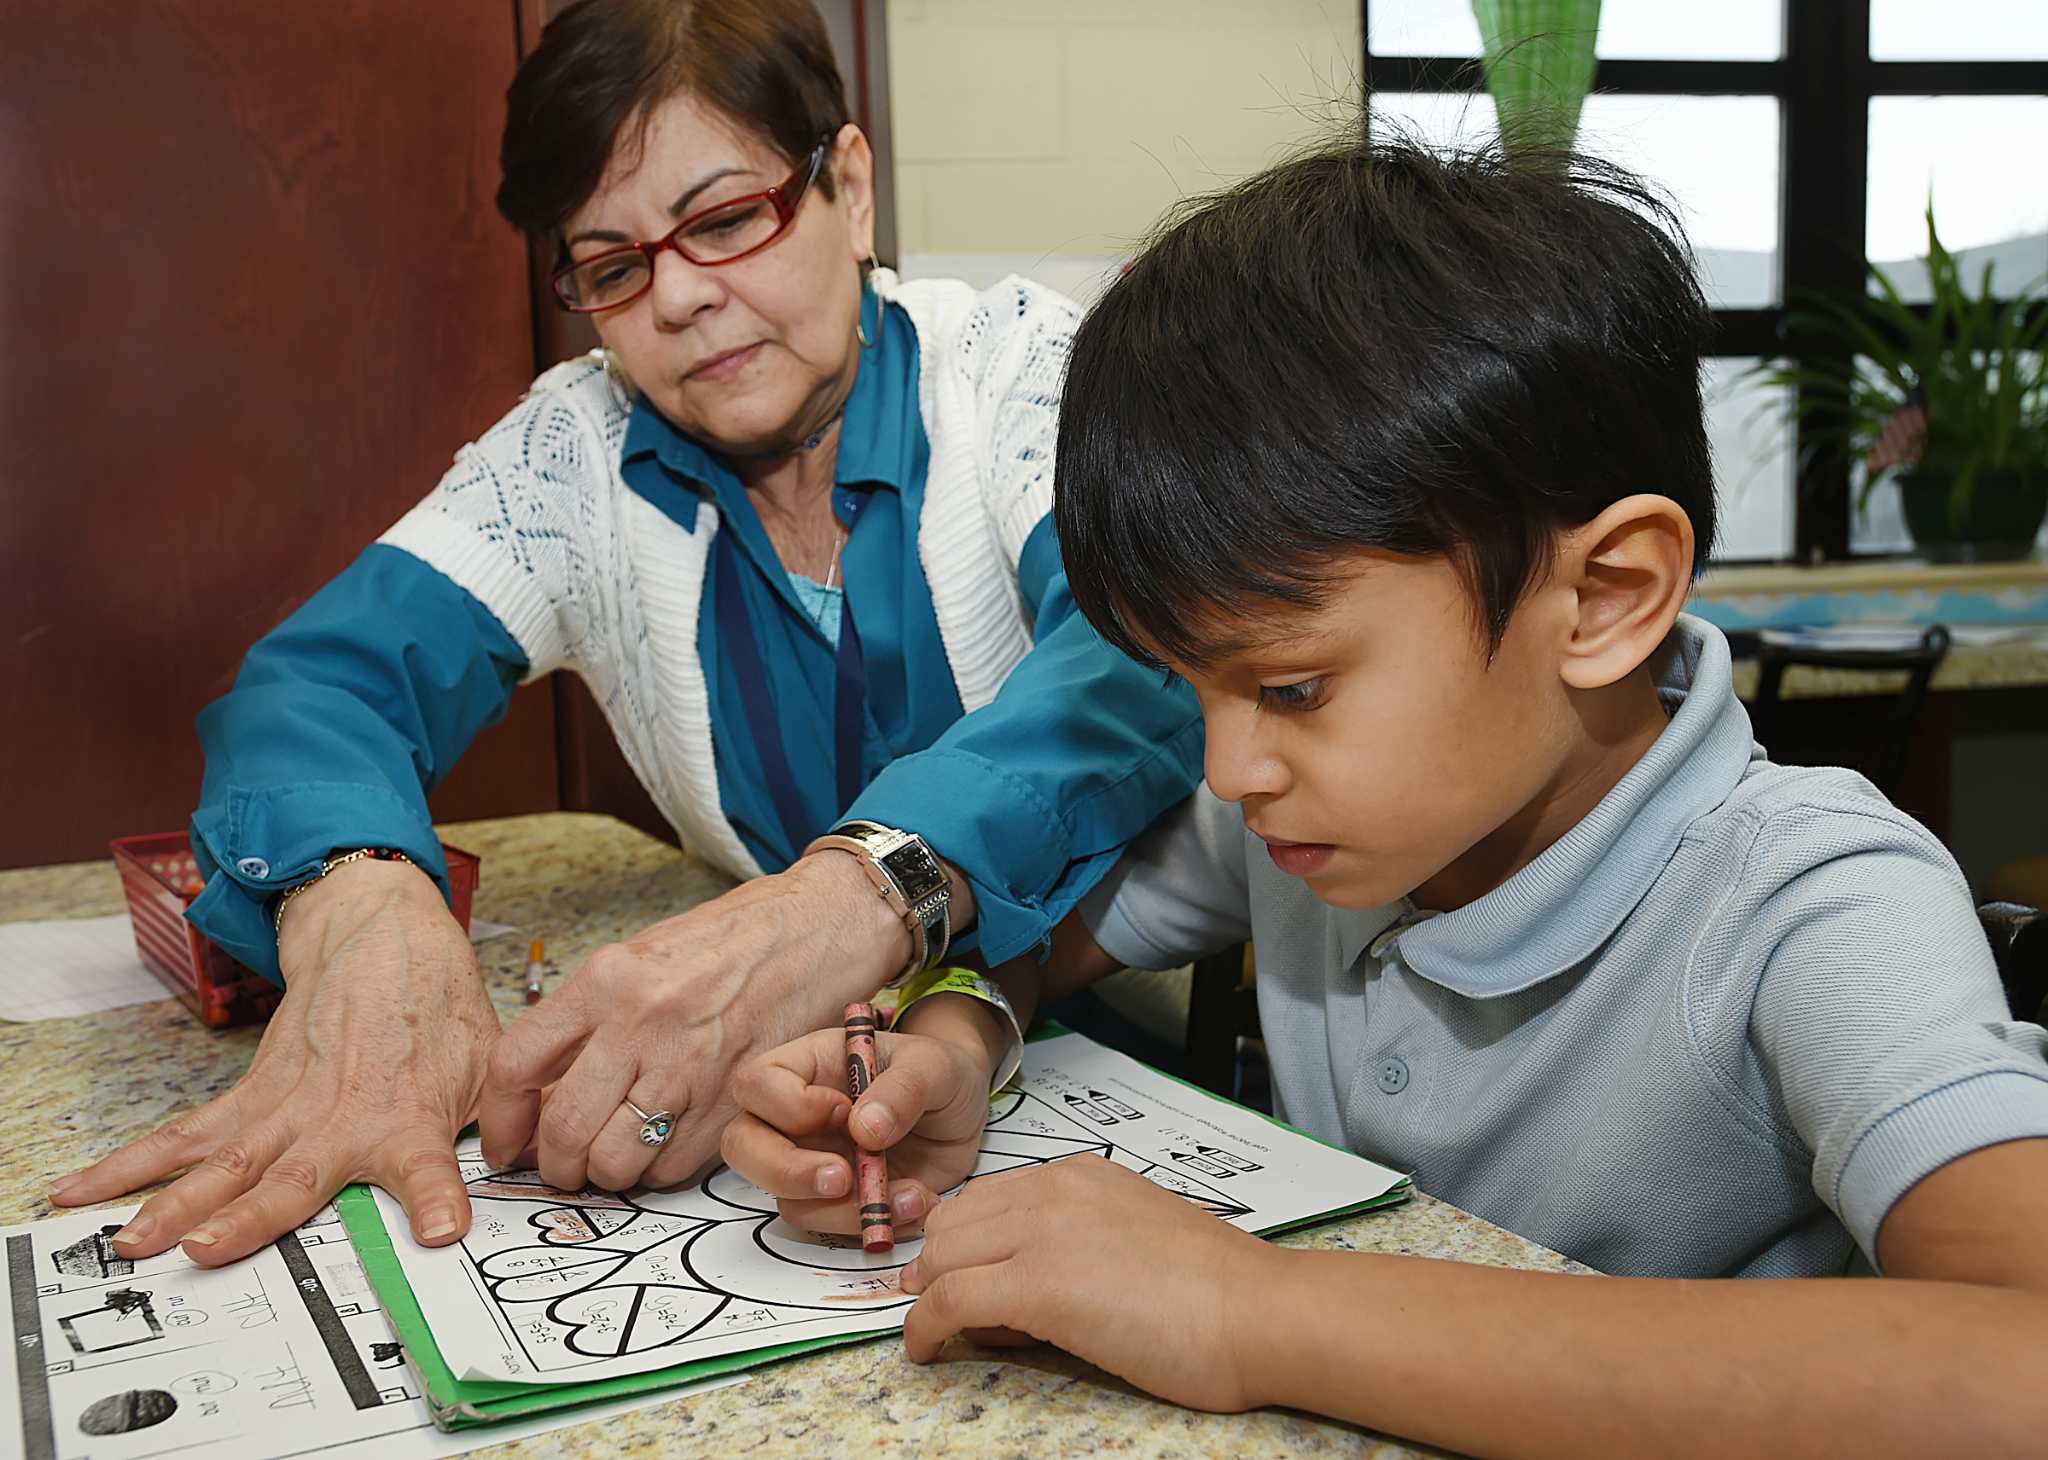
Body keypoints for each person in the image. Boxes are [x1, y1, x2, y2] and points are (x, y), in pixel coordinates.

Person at [720, 136, 2048, 1455]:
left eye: (1292, 688)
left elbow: (2018, 1362)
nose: (1231, 768)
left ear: (1606, 597)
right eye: (1195, 688)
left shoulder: (1817, 901)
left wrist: (1258, 1313)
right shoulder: (1303, 825)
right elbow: (1024, 953)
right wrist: (952, 1049)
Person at [49, 0, 1199, 1268]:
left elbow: (1140, 645)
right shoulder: (573, 453)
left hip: (1109, 1056)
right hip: (822, 1108)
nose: (685, 300)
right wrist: (359, 902)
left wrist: (840, 903)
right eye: (613, 265)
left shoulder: (1023, 370)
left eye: (722, 220)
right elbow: (317, 686)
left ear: (851, 187)